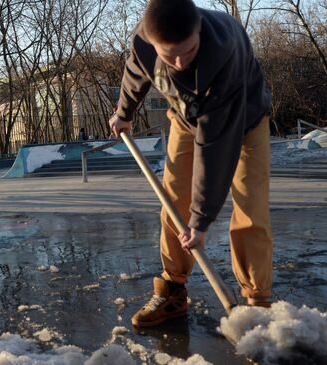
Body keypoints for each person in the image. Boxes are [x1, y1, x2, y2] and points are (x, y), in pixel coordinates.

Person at [108, 0, 273, 327]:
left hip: (244, 122)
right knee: (173, 201)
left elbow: (215, 146)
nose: (181, 62)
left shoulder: (224, 50)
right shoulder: (144, 40)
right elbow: (136, 69)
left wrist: (201, 222)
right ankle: (172, 290)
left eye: (189, 50)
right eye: (170, 55)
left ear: (199, 27)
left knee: (249, 208)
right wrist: (124, 114)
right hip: (186, 120)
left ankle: (257, 303)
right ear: (153, 41)